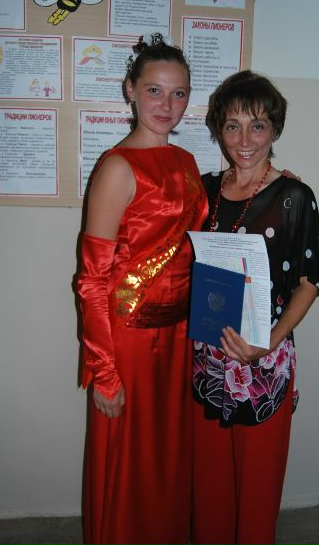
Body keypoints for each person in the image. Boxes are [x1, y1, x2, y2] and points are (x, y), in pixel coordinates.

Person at [76, 33, 208, 545]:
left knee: (168, 460)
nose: (166, 105)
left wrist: (272, 177)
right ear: (129, 89)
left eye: (179, 93)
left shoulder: (186, 162)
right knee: (129, 462)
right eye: (154, 90)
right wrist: (104, 370)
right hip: (128, 342)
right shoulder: (117, 167)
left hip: (178, 337)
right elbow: (91, 280)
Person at [192, 70, 319, 545]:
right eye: (233, 126)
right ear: (219, 129)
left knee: (257, 490)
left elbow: (308, 285)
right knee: (209, 486)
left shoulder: (294, 197)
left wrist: (267, 343)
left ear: (275, 129)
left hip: (263, 362)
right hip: (208, 356)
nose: (245, 140)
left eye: (257, 125)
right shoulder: (203, 190)